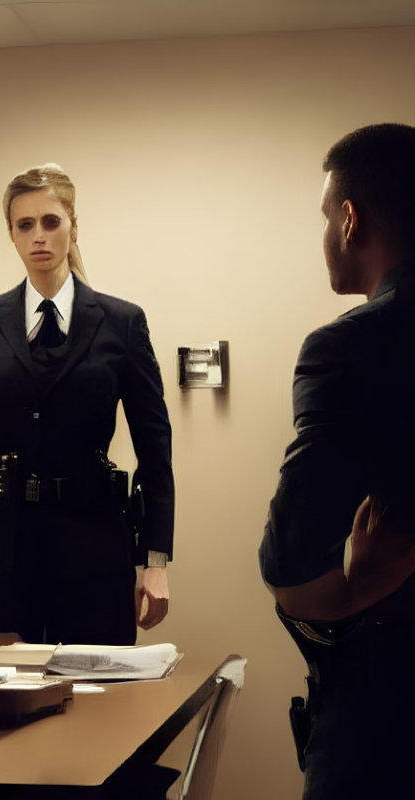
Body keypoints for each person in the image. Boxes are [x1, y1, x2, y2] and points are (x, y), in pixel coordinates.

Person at [0, 163, 174, 645]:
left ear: (73, 226)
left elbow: (154, 444)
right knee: (4, 702)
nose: (39, 236)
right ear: (11, 234)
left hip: (94, 547)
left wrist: (154, 559)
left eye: (51, 222)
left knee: (101, 704)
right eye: (25, 225)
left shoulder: (122, 323)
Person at [260, 123, 415, 799]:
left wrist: (355, 582)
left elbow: (289, 560)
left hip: (388, 708)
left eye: (327, 217)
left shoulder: (351, 347)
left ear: (350, 220)